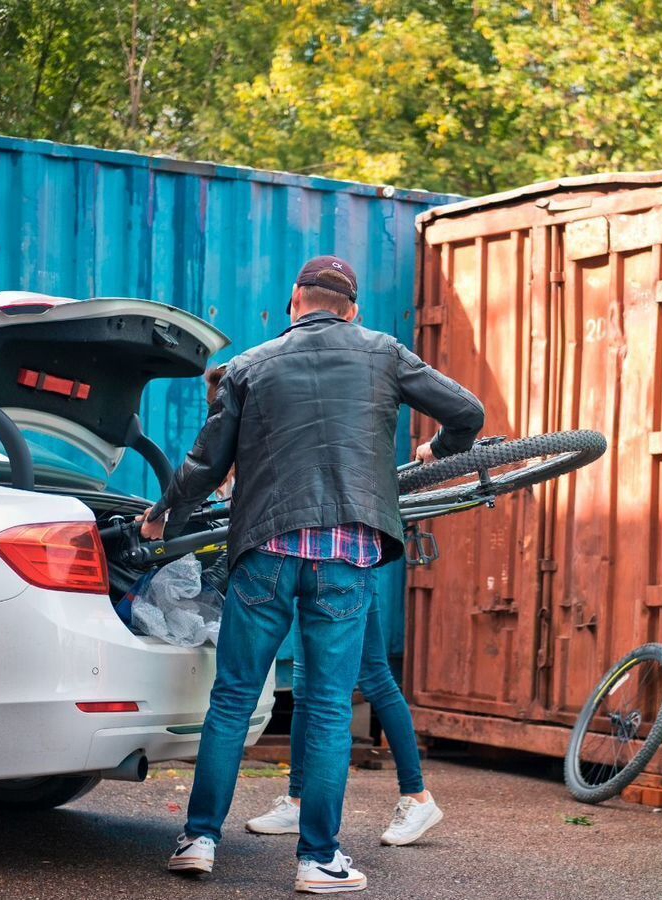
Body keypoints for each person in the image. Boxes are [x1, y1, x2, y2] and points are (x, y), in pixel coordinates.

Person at [140, 255, 484, 894]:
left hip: (264, 552)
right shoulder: (384, 352)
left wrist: (164, 516)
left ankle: (199, 839)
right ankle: (318, 861)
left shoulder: (247, 366)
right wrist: (439, 450)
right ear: (350, 308)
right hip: (345, 557)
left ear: (295, 301)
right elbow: (467, 411)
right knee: (328, 706)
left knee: (233, 697)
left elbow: (206, 465)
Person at [246, 602, 439, 846]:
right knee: (305, 689)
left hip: (352, 572)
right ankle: (299, 802)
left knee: (375, 679)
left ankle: (417, 797)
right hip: (310, 572)